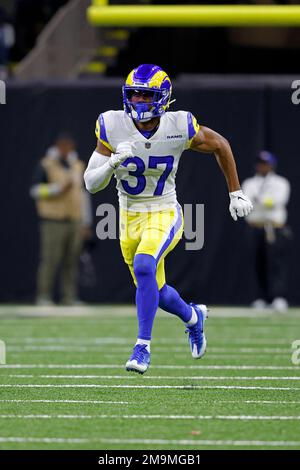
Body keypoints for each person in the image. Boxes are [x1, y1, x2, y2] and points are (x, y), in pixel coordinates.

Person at [84, 64, 253, 374]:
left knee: (145, 265)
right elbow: (90, 183)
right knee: (156, 292)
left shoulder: (180, 125)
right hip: (128, 216)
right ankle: (192, 317)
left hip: (164, 211)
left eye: (145, 95)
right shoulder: (111, 124)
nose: (137, 101)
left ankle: (142, 347)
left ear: (162, 98)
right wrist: (112, 165)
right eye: (133, 94)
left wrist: (235, 192)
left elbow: (220, 144)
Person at [30, 134, 92, 305]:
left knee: (71, 261)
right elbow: (35, 191)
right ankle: (44, 296)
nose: (66, 151)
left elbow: (83, 195)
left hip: (75, 220)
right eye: (63, 147)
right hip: (53, 220)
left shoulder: (78, 166)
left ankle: (69, 297)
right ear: (57, 147)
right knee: (50, 260)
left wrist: (86, 222)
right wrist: (57, 189)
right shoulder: (46, 165)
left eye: (69, 147)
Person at [242, 151, 291, 312]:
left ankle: (278, 297)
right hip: (255, 226)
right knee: (258, 263)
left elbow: (278, 201)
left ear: (271, 165)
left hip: (274, 228)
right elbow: (246, 202)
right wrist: (264, 201)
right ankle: (260, 298)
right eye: (260, 163)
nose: (262, 166)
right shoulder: (249, 183)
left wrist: (260, 200)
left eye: (266, 163)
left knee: (276, 264)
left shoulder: (280, 183)